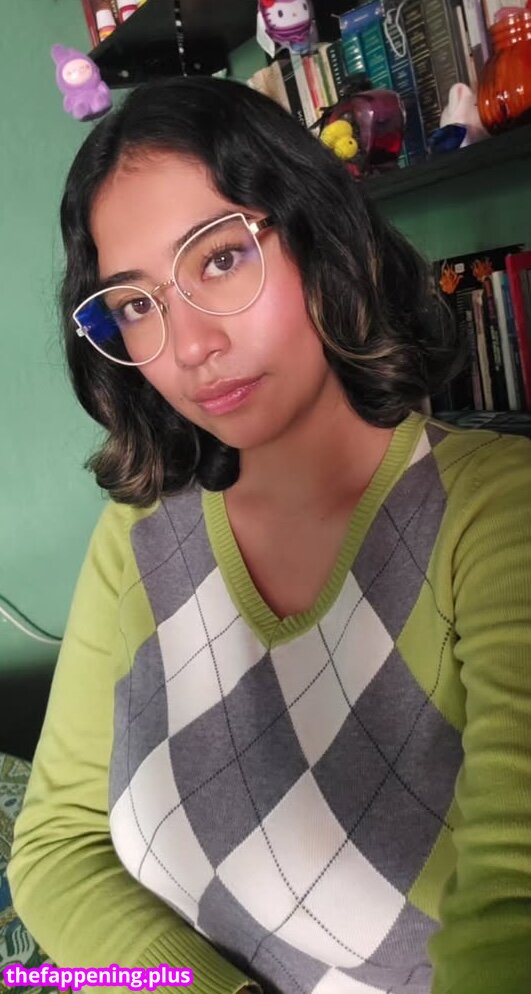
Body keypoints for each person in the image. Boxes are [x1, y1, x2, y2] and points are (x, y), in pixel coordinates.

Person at [8, 76, 531, 994]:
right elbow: (54, 848)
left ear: (321, 237)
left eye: (218, 259)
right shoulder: (139, 531)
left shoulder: (496, 514)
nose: (189, 346)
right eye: (135, 304)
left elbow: (513, 915)